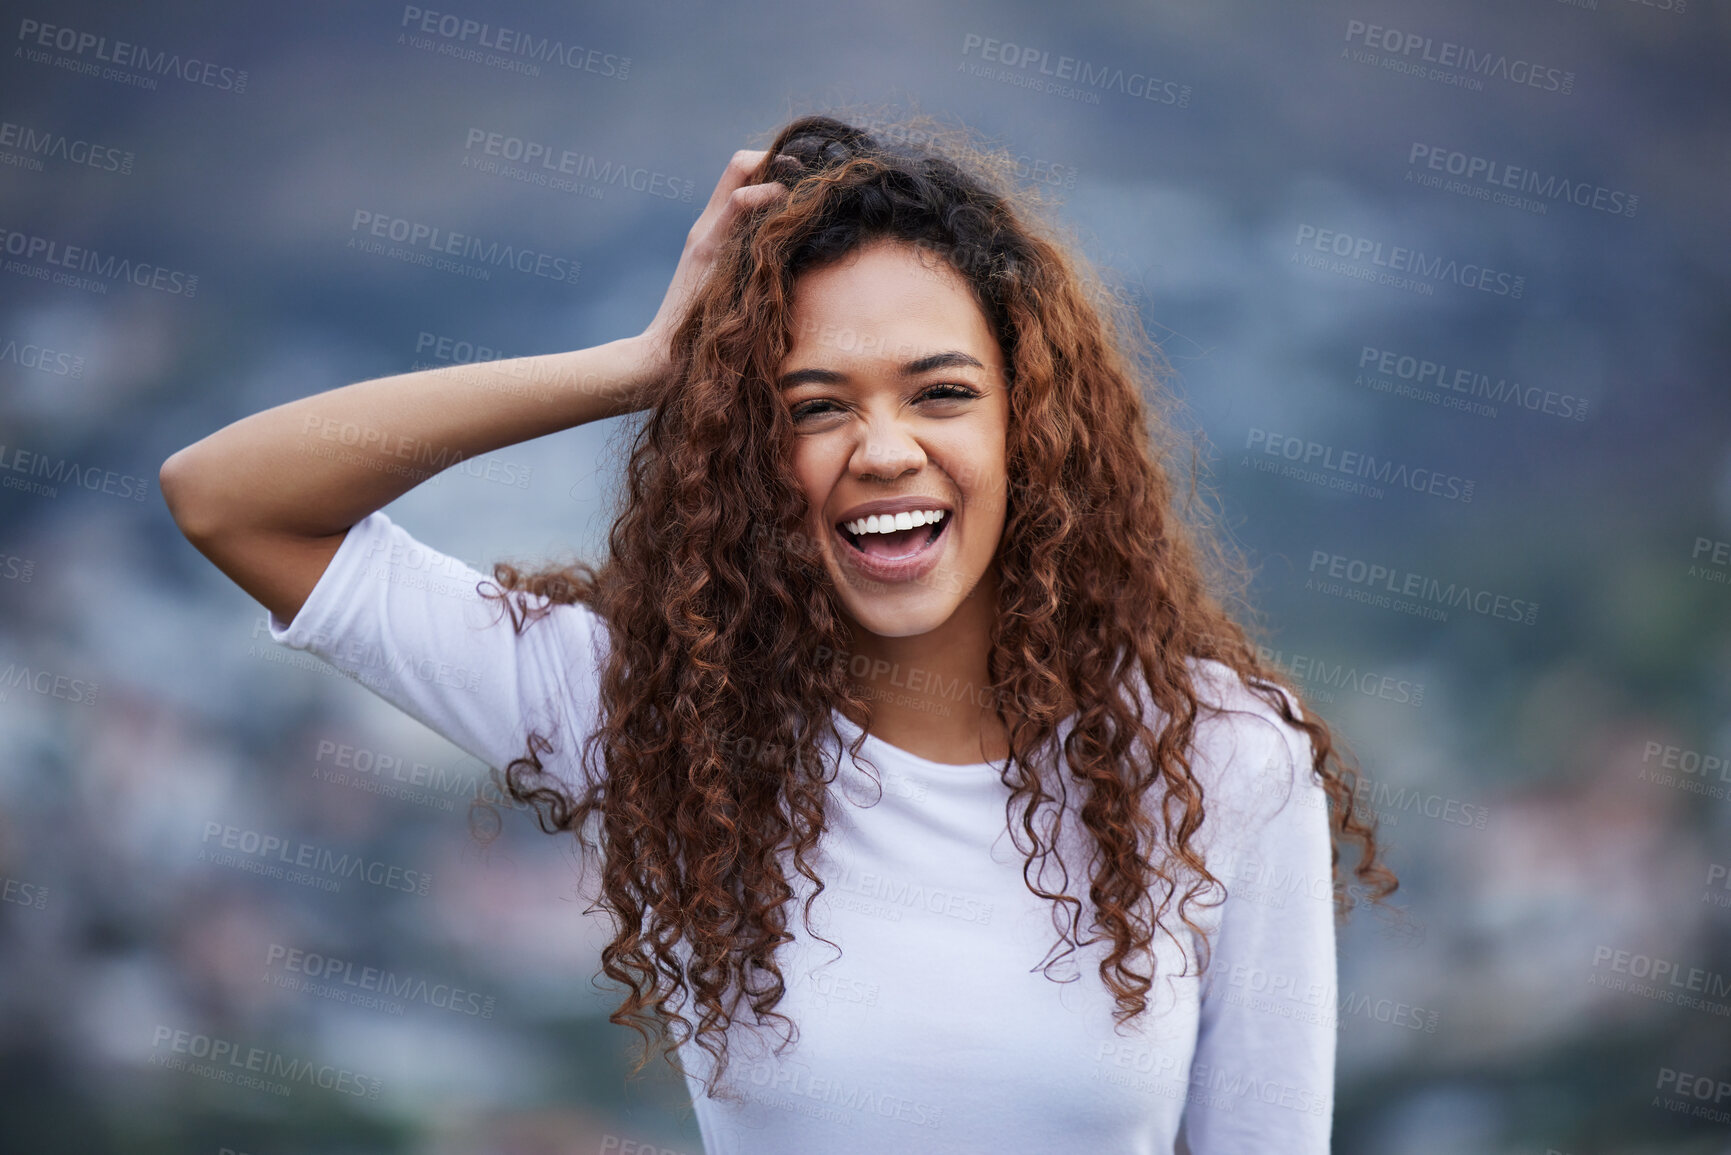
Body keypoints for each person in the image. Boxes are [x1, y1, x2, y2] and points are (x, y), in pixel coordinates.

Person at [162, 112, 1397, 1154]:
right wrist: (643, 363)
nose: (884, 449)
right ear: (752, 455)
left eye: (944, 392)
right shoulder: (660, 714)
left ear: (1036, 425)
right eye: (814, 407)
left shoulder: (1217, 757)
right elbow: (232, 498)